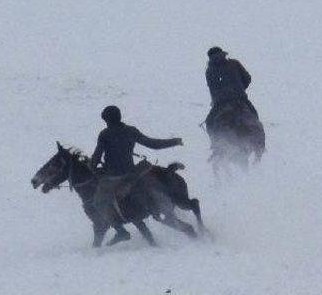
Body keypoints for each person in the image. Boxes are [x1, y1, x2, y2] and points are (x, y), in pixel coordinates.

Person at [90, 105, 183, 245]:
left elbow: (97, 157)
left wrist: (91, 166)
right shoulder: (131, 131)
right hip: (132, 174)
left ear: (107, 120)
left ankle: (120, 231)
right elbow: (153, 144)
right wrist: (174, 141)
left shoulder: (105, 134)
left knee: (98, 202)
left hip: (113, 177)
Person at [204, 47, 258, 137]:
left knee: (209, 122)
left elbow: (213, 89)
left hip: (220, 104)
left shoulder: (209, 70)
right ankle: (259, 144)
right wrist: (239, 89)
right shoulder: (234, 63)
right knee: (254, 115)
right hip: (240, 100)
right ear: (223, 53)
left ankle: (216, 143)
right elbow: (247, 79)